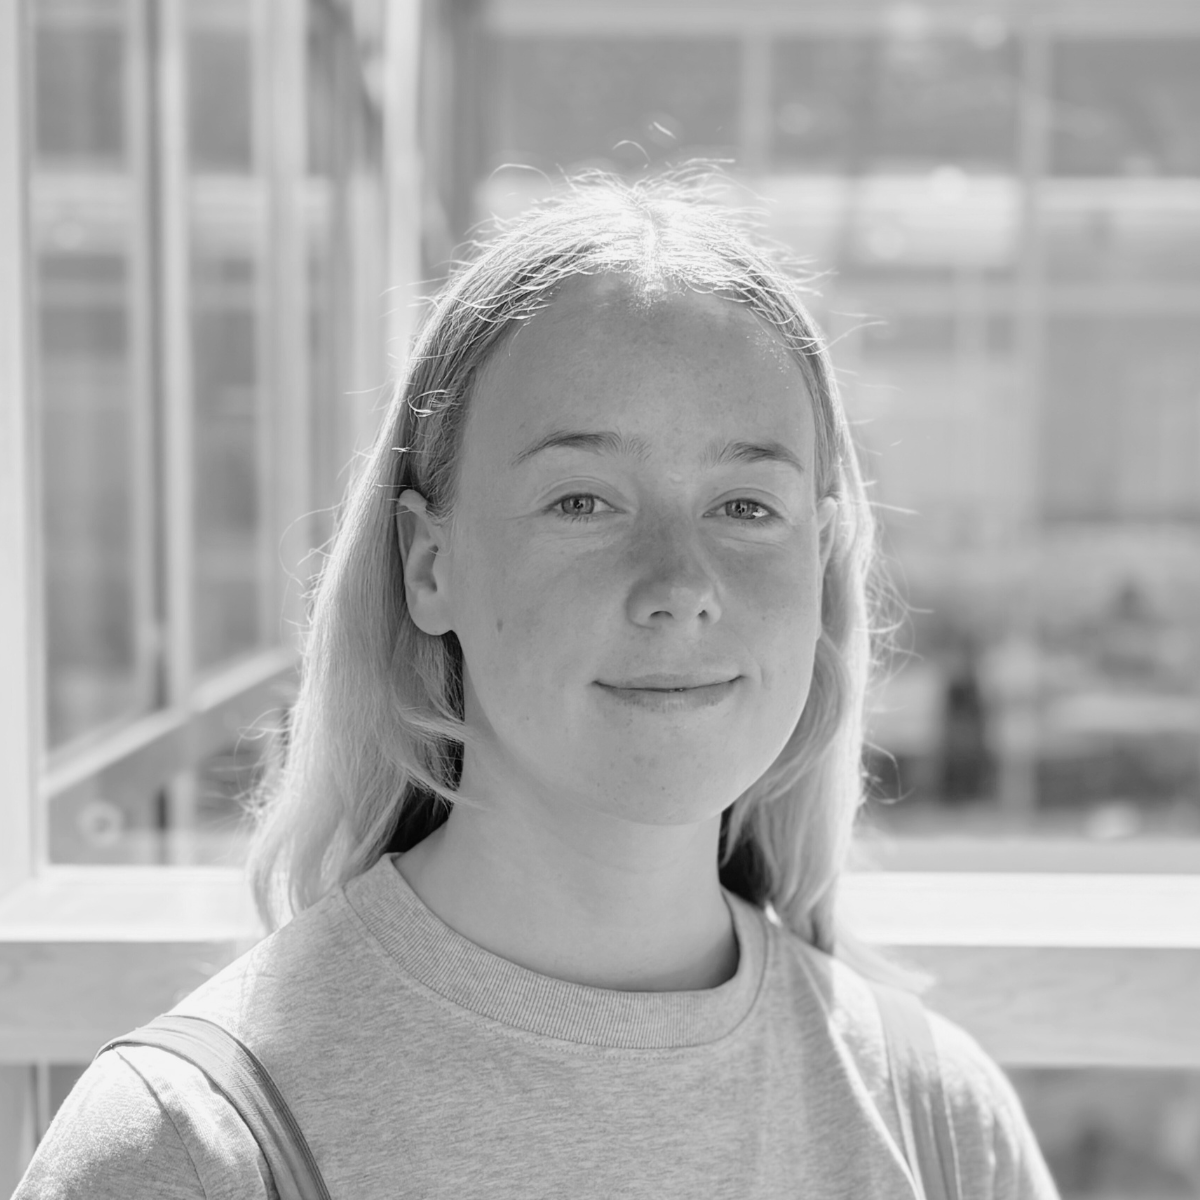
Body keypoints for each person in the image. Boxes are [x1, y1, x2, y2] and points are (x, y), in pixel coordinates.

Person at [15, 171, 1060, 1199]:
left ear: (822, 571)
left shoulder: (944, 1127)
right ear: (431, 565)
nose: (679, 585)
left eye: (746, 507)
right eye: (582, 500)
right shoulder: (183, 1151)